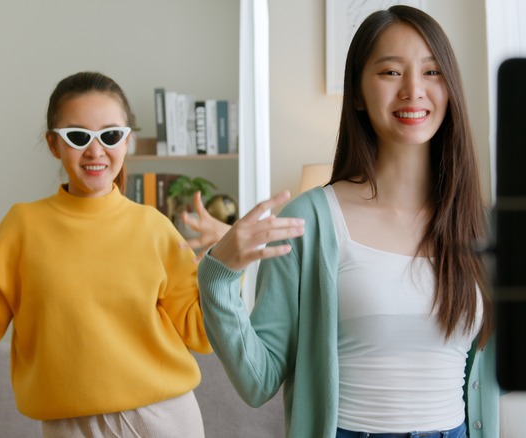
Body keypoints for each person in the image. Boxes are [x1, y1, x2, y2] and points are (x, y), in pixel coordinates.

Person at [195, 5, 500, 438]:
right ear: (356, 92)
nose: (413, 90)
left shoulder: (479, 226)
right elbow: (257, 380)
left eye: (432, 72)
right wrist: (218, 276)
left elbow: (497, 374)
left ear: (450, 89)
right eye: (391, 72)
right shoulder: (310, 220)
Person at [0, 71, 213, 437]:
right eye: (77, 137)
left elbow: (200, 332)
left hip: (163, 419)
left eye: (110, 135)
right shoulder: (24, 226)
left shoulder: (154, 228)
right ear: (53, 145)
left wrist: (229, 262)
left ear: (127, 142)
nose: (95, 151)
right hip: (68, 426)